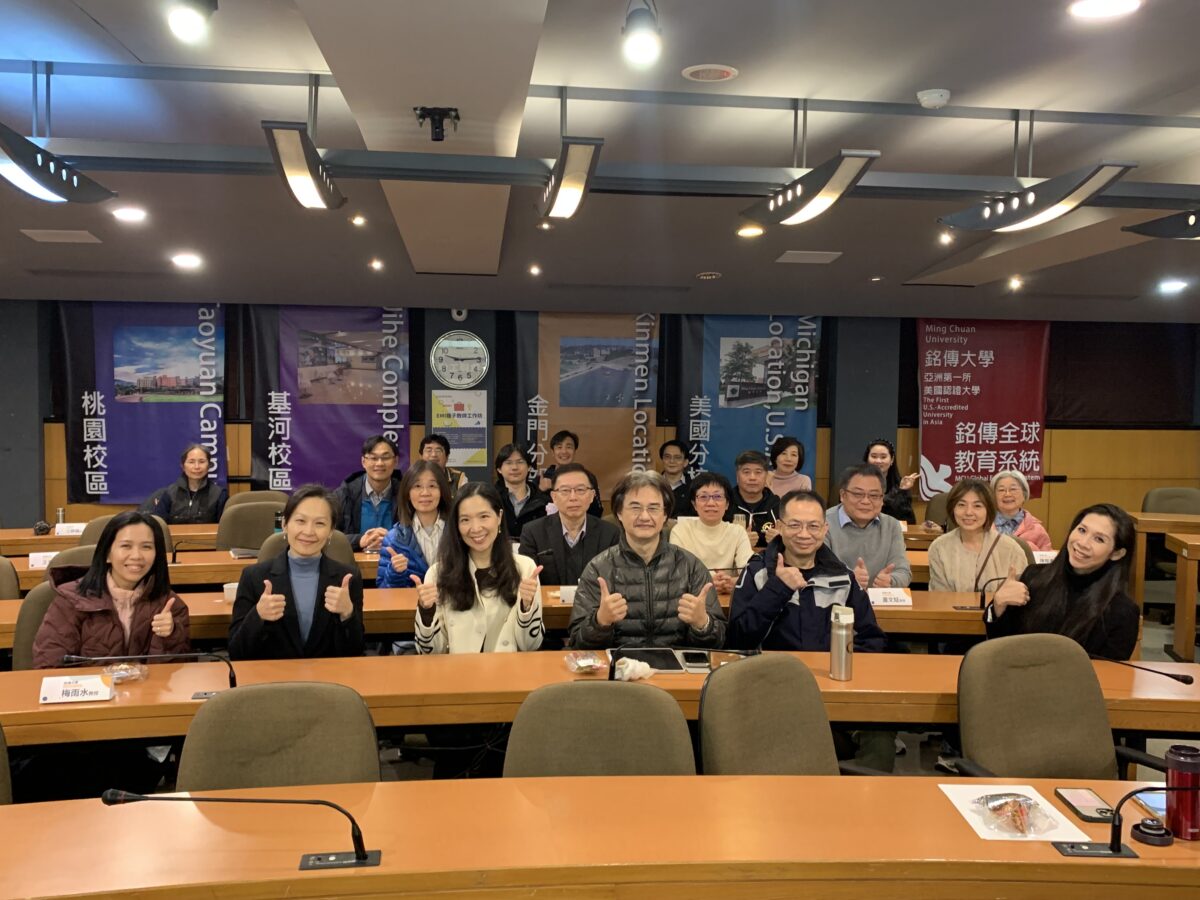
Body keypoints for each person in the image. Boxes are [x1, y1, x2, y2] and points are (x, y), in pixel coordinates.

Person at [727, 490, 893, 771]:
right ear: (779, 527)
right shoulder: (757, 573)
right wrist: (778, 589)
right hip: (771, 692)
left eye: (813, 526)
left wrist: (841, 669)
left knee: (881, 732)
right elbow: (736, 640)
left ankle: (863, 797)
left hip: (834, 692)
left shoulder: (842, 577)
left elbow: (872, 638)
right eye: (794, 525)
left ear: (825, 529)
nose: (804, 534)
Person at [570, 470, 726, 649]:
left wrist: (703, 624)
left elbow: (719, 641)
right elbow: (577, 643)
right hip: (618, 665)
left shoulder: (691, 567)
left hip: (676, 664)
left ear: (665, 515)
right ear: (619, 513)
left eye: (653, 508)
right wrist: (600, 622)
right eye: (635, 508)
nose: (644, 516)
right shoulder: (598, 568)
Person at [33, 510, 189, 668]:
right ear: (107, 553)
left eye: (146, 547)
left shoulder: (170, 605)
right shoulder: (71, 601)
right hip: (89, 684)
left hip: (147, 685)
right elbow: (49, 664)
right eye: (126, 546)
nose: (136, 555)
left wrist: (171, 635)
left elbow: (173, 673)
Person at [984, 503, 1138, 660]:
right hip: (1019, 672)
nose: (1083, 543)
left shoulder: (1122, 611)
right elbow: (1000, 645)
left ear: (1117, 554)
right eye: (1082, 530)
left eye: (1099, 539)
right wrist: (998, 606)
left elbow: (1109, 671)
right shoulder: (1034, 577)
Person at [228, 484, 365, 660]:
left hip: (328, 676)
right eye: (300, 521)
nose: (308, 532)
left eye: (320, 523)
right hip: (273, 675)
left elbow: (356, 651)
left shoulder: (348, 578)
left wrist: (348, 614)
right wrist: (257, 616)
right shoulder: (253, 577)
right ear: (285, 524)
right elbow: (236, 653)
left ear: (331, 531)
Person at [412, 482, 544, 655]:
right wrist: (427, 612)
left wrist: (526, 607)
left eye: (484, 516)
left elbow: (531, 646)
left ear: (499, 517)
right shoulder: (438, 573)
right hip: (459, 669)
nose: (475, 528)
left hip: (508, 669)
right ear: (457, 526)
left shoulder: (525, 568)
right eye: (465, 520)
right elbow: (429, 653)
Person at [519, 463, 620, 586]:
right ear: (554, 497)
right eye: (565, 491)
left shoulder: (610, 534)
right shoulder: (533, 532)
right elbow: (526, 580)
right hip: (547, 598)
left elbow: (616, 580)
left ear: (592, 496)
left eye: (580, 490)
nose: (573, 497)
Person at [928, 479, 1027, 593]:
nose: (968, 512)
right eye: (961, 505)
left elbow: (1021, 597)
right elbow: (939, 598)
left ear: (988, 510)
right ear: (952, 508)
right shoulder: (939, 548)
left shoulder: (1011, 549)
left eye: (977, 506)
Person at [824, 464, 912, 590]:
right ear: (843, 495)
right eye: (858, 494)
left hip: (878, 599)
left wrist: (891, 581)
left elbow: (903, 572)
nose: (866, 501)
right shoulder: (823, 523)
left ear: (882, 499)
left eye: (874, 495)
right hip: (836, 598)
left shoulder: (891, 526)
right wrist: (848, 579)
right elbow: (818, 573)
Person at [669, 472, 752, 596]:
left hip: (728, 596)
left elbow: (749, 569)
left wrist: (734, 582)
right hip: (693, 597)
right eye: (703, 497)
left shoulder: (737, 532)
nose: (711, 503)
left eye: (717, 497)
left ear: (727, 504)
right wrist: (706, 581)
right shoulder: (681, 530)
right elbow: (677, 573)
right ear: (694, 504)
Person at [376, 461, 453, 588]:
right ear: (408, 493)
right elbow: (383, 591)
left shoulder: (457, 532)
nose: (425, 493)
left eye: (432, 486)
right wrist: (395, 572)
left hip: (450, 599)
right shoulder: (394, 539)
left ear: (442, 491)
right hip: (411, 600)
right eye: (417, 486)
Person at [332, 435, 404, 552]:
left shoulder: (406, 494)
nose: (379, 463)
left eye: (385, 458)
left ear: (396, 461)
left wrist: (392, 539)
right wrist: (359, 541)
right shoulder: (343, 494)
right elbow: (329, 537)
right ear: (363, 462)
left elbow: (416, 537)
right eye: (373, 458)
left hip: (395, 561)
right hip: (352, 562)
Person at [143, 443, 227, 525]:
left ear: (209, 465)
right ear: (183, 466)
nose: (197, 466)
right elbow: (158, 525)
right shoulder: (169, 493)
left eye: (202, 462)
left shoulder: (219, 494)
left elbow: (224, 527)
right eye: (191, 462)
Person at [537, 430, 603, 518]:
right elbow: (534, 514)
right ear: (553, 452)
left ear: (575, 451)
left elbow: (597, 512)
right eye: (559, 447)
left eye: (569, 447)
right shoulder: (542, 479)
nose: (564, 451)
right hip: (549, 526)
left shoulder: (587, 477)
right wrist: (541, 491)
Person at [863, 439, 924, 527]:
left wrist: (901, 490)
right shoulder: (856, 483)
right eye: (874, 456)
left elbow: (908, 521)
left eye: (883, 457)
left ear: (892, 460)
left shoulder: (900, 485)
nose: (878, 461)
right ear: (867, 459)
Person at [495, 443, 549, 540]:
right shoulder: (490, 499)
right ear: (499, 469)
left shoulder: (544, 501)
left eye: (520, 462)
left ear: (529, 467)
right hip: (499, 549)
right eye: (508, 463)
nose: (515, 467)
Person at [991, 470, 1052, 551]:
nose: (1007, 494)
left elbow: (1047, 557)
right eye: (1001, 490)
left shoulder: (1037, 529)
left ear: (1024, 494)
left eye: (1013, 489)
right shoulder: (982, 525)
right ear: (993, 496)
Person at [732, 449, 780, 551]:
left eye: (758, 472)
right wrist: (739, 542)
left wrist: (780, 541)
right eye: (746, 472)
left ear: (766, 475)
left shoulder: (778, 506)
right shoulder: (724, 504)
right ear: (737, 476)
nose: (752, 477)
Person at [658, 439, 694, 517]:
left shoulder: (694, 487)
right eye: (667, 457)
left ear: (685, 463)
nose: (672, 461)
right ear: (662, 460)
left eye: (677, 457)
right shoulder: (653, 484)